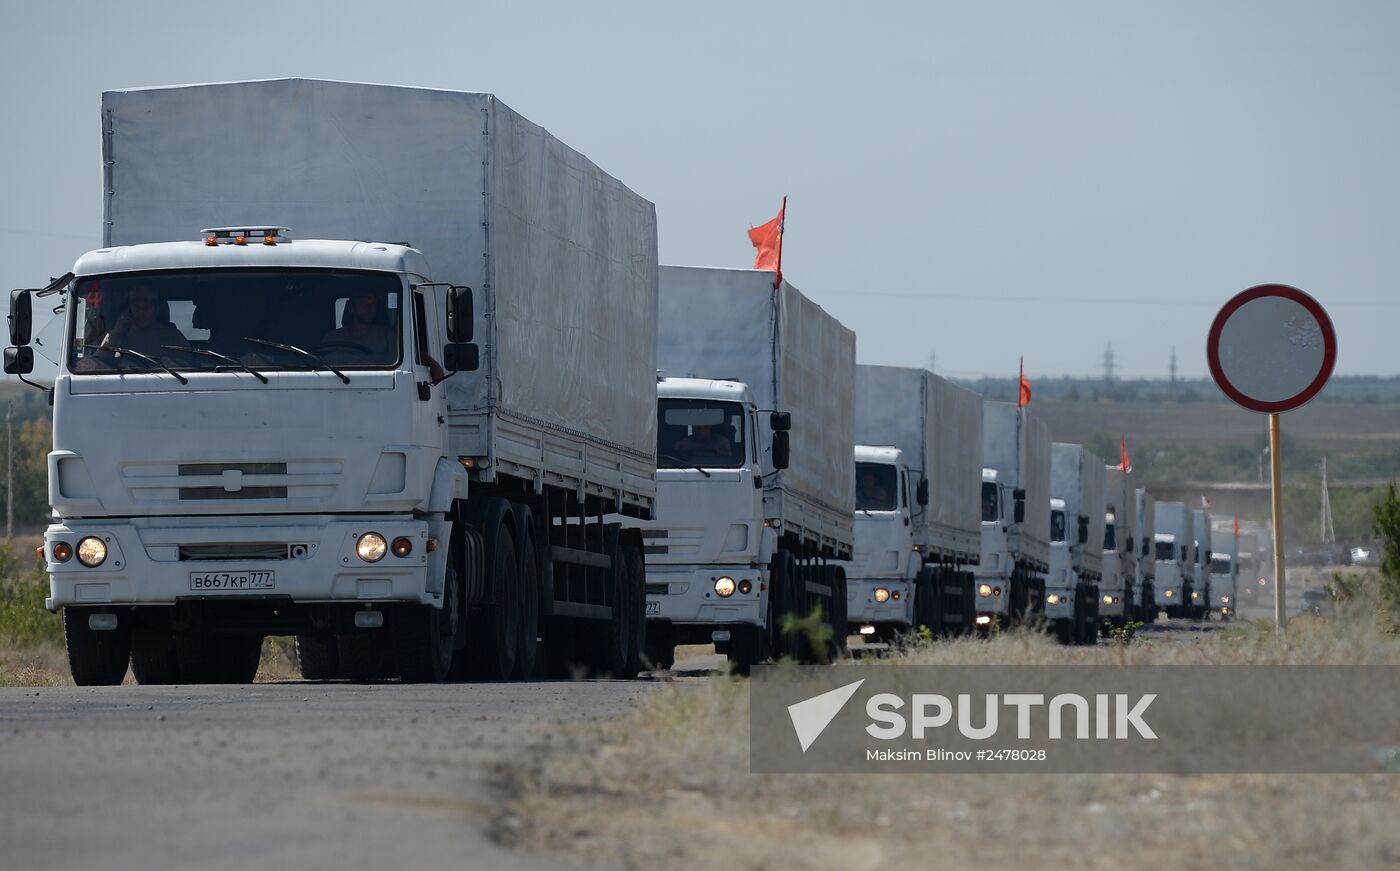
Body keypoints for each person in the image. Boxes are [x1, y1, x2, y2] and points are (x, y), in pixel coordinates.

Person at [100, 286, 187, 357]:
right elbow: (98, 364)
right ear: (129, 306)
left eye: (148, 301)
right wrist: (116, 333)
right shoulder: (119, 333)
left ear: (157, 307)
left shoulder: (174, 337)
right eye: (136, 301)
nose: (141, 306)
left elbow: (187, 366)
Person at [320, 289, 393, 355]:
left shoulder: (387, 336)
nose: (369, 307)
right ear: (351, 307)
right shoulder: (332, 338)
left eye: (373, 303)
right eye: (362, 302)